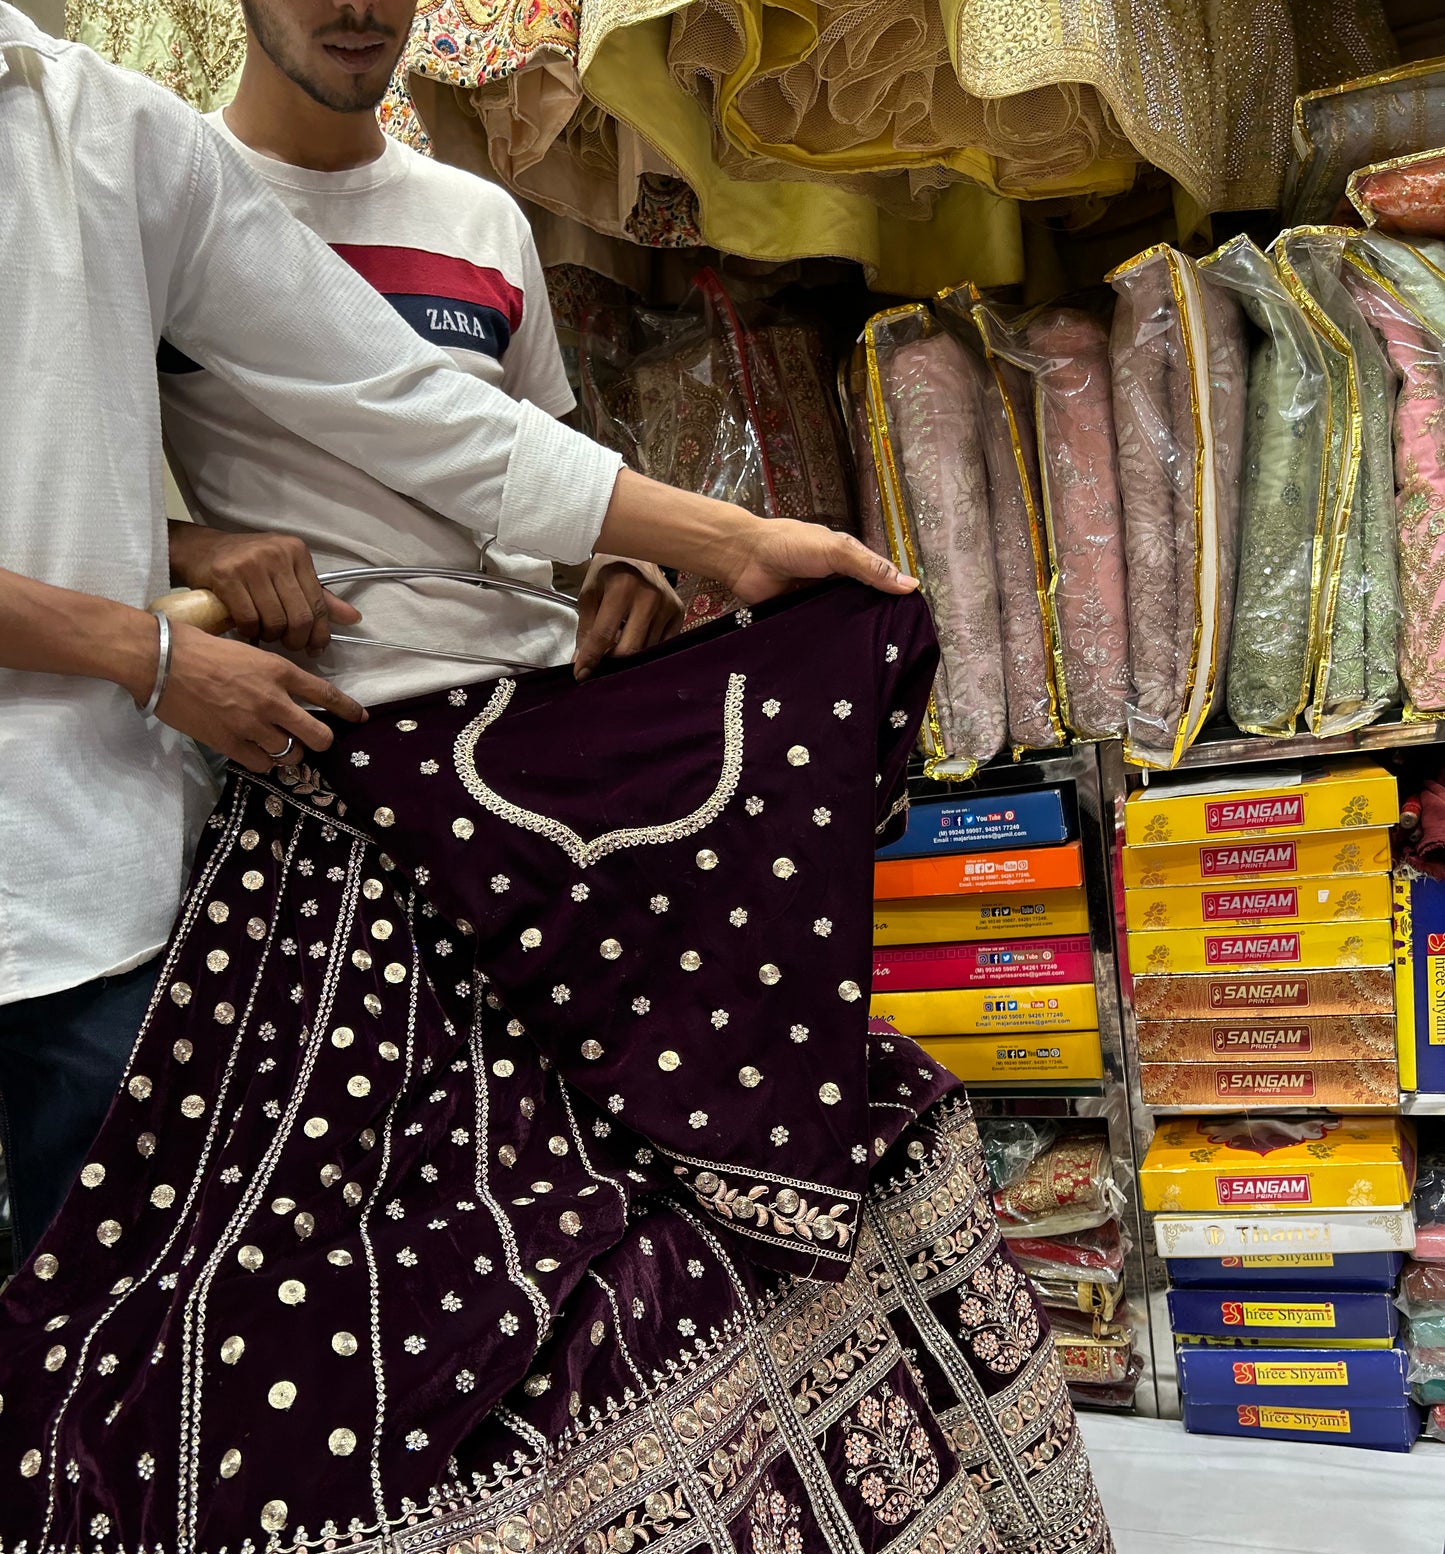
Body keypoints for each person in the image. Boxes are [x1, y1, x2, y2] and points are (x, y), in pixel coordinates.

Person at [0, 0, 911, 1264]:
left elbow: (429, 412)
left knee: (183, 1305)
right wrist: (160, 616)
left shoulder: (115, 137)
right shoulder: (155, 150)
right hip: (289, 766)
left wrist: (711, 543)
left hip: (152, 860)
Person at [161, 0, 686, 707]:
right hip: (336, 705)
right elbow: (55, 500)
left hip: (544, 688)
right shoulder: (169, 203)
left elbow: (547, 465)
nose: (359, 10)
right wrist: (193, 549)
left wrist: (622, 552)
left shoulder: (483, 216)